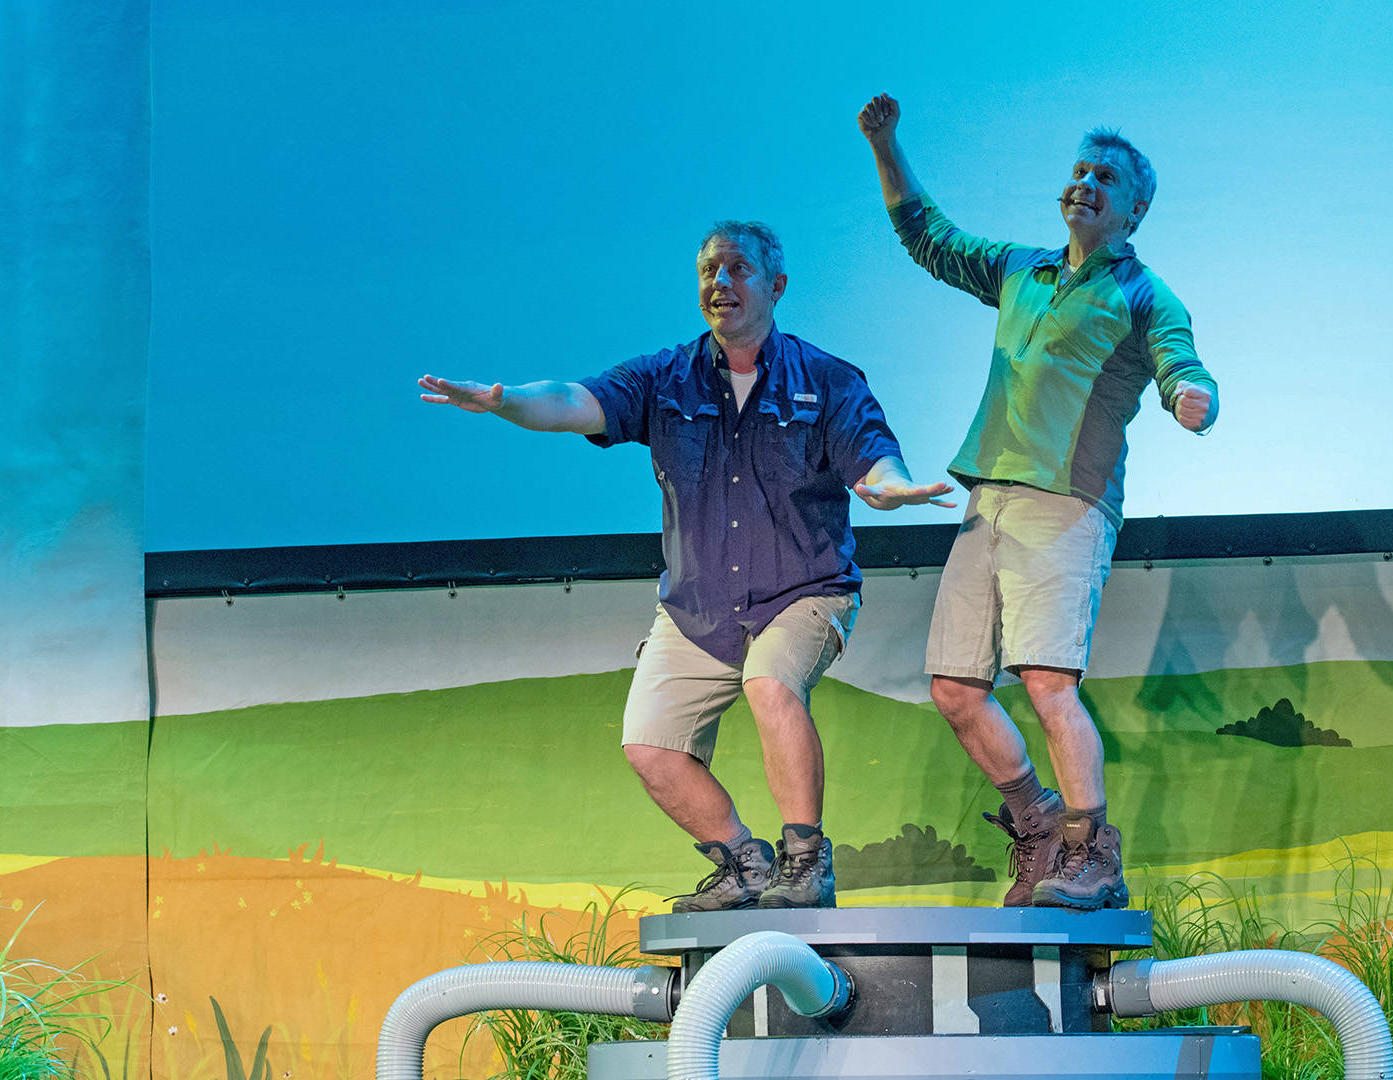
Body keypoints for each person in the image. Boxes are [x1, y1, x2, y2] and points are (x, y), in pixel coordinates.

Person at [419, 221, 952, 911]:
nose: (720, 282)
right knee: (650, 744)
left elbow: (874, 456)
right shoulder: (664, 377)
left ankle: (805, 863)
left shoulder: (827, 379)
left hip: (805, 591)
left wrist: (889, 486)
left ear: (776, 286)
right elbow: (576, 401)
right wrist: (505, 402)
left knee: (769, 683)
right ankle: (744, 865)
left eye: (737, 269)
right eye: (708, 271)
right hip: (699, 606)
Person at [858, 94, 1219, 910]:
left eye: (1107, 178)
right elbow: (928, 237)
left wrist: (1191, 397)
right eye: (1080, 171)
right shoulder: (1022, 269)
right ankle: (1039, 826)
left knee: (1048, 682)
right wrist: (886, 144)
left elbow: (1180, 362)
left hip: (1068, 504)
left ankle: (1093, 856)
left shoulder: (1145, 294)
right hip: (987, 498)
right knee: (955, 689)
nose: (1086, 183)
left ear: (1136, 209)